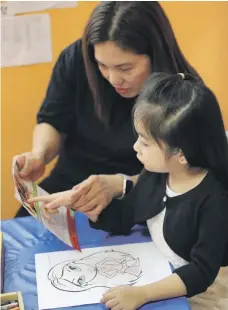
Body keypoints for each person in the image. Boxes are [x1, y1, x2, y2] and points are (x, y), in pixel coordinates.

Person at [31, 73, 228, 310]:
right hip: (163, 271)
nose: (135, 147)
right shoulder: (157, 175)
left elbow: (201, 271)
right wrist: (82, 204)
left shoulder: (213, 202)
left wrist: (143, 293)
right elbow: (127, 214)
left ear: (181, 154)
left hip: (207, 292)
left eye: (145, 142)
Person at [14, 1, 201, 218]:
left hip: (142, 196)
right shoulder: (77, 58)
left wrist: (122, 184)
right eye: (101, 65)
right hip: (68, 184)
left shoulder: (187, 94)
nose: (113, 79)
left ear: (155, 53)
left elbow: (188, 176)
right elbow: (53, 119)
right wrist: (40, 155)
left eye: (125, 68)